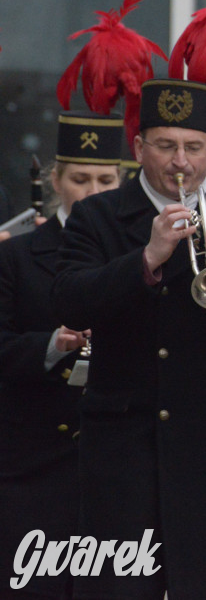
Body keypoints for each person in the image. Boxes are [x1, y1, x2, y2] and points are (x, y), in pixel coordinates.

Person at [51, 78, 206, 599]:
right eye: (165, 146)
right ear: (139, 147)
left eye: (193, 147)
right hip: (126, 445)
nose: (180, 163)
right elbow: (68, 299)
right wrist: (145, 258)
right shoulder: (97, 216)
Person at [0, 111, 123, 598]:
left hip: (117, 458)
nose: (92, 192)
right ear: (55, 180)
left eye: (105, 179)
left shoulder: (143, 253)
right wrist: (53, 345)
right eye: (79, 179)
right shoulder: (17, 256)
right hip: (34, 462)